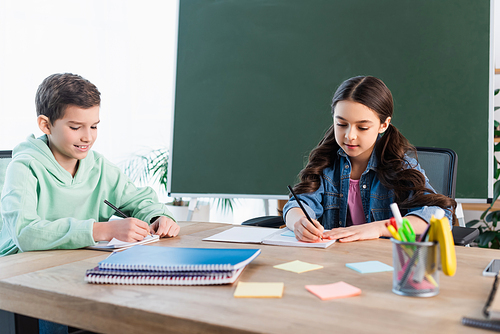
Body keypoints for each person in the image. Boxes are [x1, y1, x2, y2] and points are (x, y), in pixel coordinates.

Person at [0, 73, 179, 256]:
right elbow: (25, 233)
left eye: (94, 126)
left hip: (75, 264)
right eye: (76, 127)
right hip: (21, 268)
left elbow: (141, 201)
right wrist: (103, 230)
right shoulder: (25, 167)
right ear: (46, 125)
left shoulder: (99, 167)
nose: (88, 137)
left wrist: (158, 217)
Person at [283, 76, 457, 243]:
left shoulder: (401, 166)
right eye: (341, 124)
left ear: (384, 124)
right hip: (334, 262)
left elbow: (439, 216)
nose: (350, 136)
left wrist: (379, 228)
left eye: (363, 127)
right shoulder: (326, 162)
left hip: (384, 263)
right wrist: (299, 222)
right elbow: (299, 205)